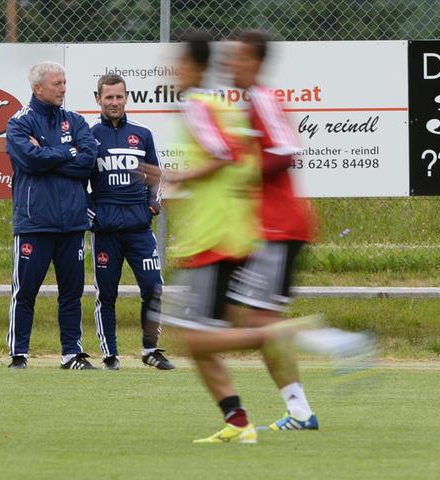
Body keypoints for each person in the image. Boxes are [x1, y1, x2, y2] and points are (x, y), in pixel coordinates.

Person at [148, 31, 317, 445]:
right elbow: (239, 160)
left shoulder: (198, 107)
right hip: (225, 236)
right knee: (192, 338)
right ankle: (239, 422)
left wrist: (179, 175)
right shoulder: (222, 106)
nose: (173, 69)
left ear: (193, 66)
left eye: (178, 61)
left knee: (194, 338)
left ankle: (277, 336)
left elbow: (226, 154)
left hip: (215, 240)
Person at [223, 29, 321, 431]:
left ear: (257, 63)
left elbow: (286, 151)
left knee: (248, 323)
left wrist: (242, 173)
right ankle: (299, 411)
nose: (231, 64)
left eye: (239, 58)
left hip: (277, 231)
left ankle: (334, 342)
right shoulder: (251, 104)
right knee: (252, 323)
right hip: (270, 231)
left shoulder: (262, 99)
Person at [5, 61, 98, 370]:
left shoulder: (76, 121)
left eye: (64, 82)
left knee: (71, 293)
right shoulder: (19, 123)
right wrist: (65, 151)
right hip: (34, 222)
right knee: (25, 291)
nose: (63, 88)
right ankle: (19, 354)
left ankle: (71, 353)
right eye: (57, 83)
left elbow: (86, 161)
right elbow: (30, 161)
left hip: (72, 222)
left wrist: (50, 152)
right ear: (38, 88)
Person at [87, 74, 174, 371]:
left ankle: (151, 349)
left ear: (127, 98)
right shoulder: (88, 135)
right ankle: (110, 355)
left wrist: (153, 202)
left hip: (139, 230)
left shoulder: (143, 134)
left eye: (119, 97)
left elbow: (155, 175)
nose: (114, 102)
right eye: (108, 97)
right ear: (98, 99)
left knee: (153, 288)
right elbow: (76, 182)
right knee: (107, 294)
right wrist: (92, 214)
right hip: (105, 231)